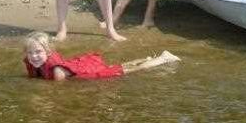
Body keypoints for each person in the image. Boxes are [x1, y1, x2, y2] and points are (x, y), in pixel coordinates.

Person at [22, 31, 179, 81]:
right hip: (80, 66)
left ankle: (163, 58)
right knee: (120, 66)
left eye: (38, 52)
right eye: (30, 53)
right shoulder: (34, 62)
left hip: (89, 73)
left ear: (48, 52)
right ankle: (147, 58)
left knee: (127, 71)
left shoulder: (57, 72)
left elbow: (61, 90)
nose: (34, 56)